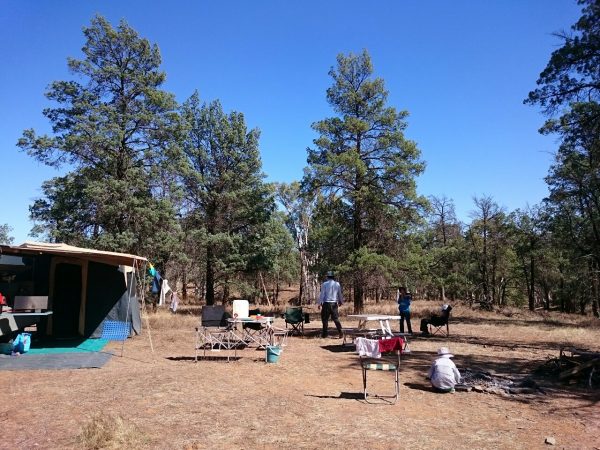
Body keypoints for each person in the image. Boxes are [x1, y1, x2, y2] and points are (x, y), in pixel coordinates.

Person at [318, 271, 344, 338]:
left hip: (326, 303)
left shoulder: (324, 284)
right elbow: (339, 294)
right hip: (334, 303)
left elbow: (322, 294)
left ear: (327, 277)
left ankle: (325, 334)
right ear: (333, 277)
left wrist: (319, 303)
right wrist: (341, 301)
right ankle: (341, 332)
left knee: (325, 319)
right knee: (336, 319)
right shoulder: (337, 284)